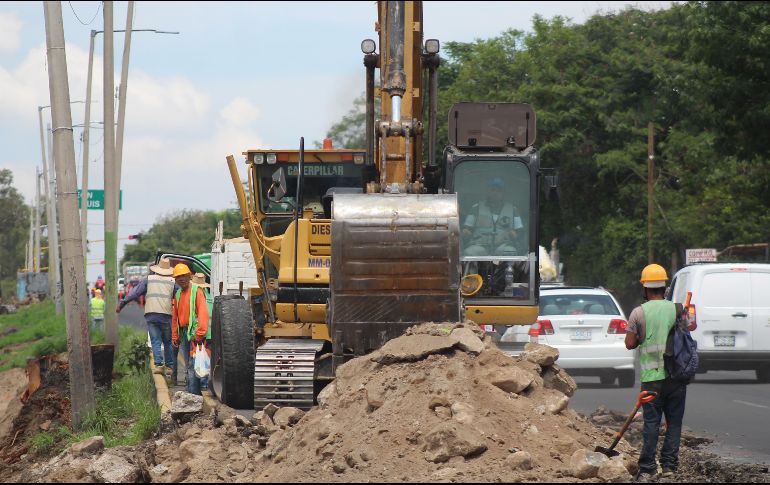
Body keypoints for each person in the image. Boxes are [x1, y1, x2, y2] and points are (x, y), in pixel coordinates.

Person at [625, 264, 687, 480]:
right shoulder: (678, 309)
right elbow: (686, 336)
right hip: (676, 378)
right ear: (664, 287)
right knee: (674, 422)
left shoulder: (638, 313)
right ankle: (669, 466)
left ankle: (648, 467)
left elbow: (629, 344)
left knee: (651, 423)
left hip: (652, 380)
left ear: (645, 288)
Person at [117, 259, 176, 377]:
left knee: (156, 341)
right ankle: (169, 367)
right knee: (168, 341)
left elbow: (134, 293)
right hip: (166, 315)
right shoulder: (172, 281)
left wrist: (122, 304)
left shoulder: (148, 280)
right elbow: (181, 295)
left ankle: (159, 365)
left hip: (151, 314)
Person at [171, 264, 210, 395]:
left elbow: (203, 313)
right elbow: (175, 317)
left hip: (195, 334)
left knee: (194, 365)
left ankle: (193, 395)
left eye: (183, 275)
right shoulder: (178, 294)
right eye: (178, 277)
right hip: (185, 333)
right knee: (189, 365)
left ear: (189, 276)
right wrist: (175, 336)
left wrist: (199, 334)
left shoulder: (197, 291)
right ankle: (193, 394)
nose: (181, 279)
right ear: (175, 279)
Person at [462, 177, 524, 257]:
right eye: (493, 190)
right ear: (488, 191)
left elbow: (520, 233)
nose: (495, 193)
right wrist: (466, 232)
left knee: (509, 252)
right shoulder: (476, 208)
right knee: (469, 253)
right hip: (479, 245)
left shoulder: (513, 209)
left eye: (499, 191)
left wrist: (515, 235)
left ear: (503, 193)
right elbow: (467, 229)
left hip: (504, 246)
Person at [191, 273, 213, 390]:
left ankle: (199, 388)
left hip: (201, 332)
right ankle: (205, 386)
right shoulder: (209, 296)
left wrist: (197, 334)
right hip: (210, 333)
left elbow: (199, 317)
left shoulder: (196, 297)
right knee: (206, 359)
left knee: (197, 361)